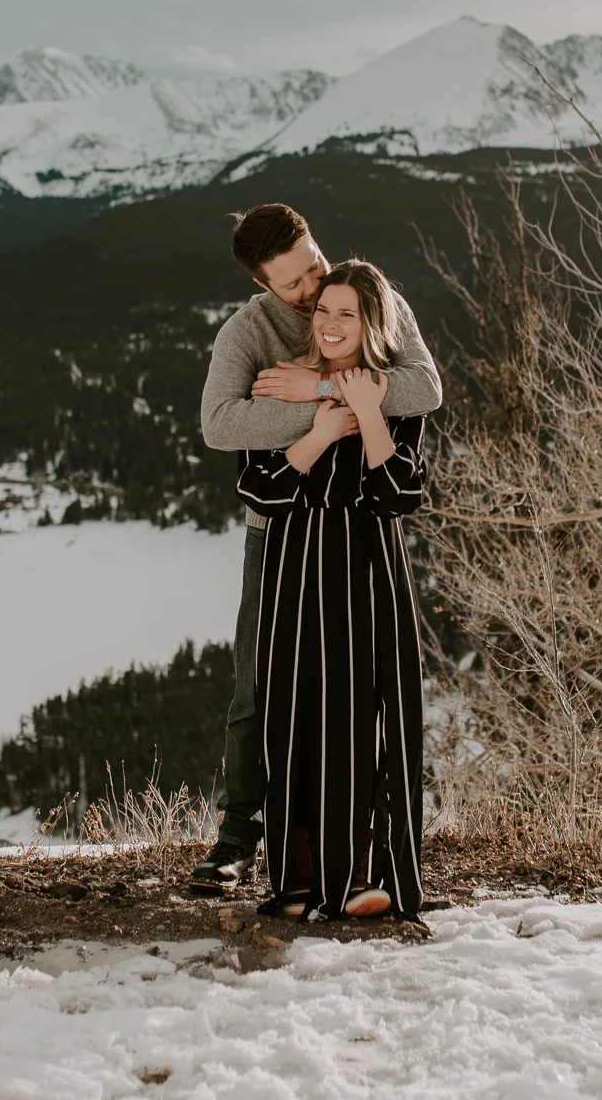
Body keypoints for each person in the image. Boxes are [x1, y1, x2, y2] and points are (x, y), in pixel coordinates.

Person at [191, 205, 441, 895]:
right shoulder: (247, 332)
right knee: (258, 687)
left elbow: (424, 388)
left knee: (360, 693)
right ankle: (239, 834)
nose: (313, 284)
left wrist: (322, 382)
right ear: (265, 284)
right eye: (296, 282)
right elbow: (220, 424)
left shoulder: (370, 298)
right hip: (277, 531)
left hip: (359, 533)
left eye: (314, 262)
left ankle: (353, 850)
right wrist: (325, 414)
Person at [234, 260, 426, 919]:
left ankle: (361, 881)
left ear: (372, 320)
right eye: (324, 311)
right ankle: (294, 882)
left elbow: (400, 492)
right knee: (290, 718)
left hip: (367, 564)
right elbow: (257, 486)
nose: (332, 323)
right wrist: (316, 431)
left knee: (363, 720)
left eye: (348, 313)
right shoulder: (285, 382)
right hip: (295, 565)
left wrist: (368, 413)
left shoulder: (392, 392)